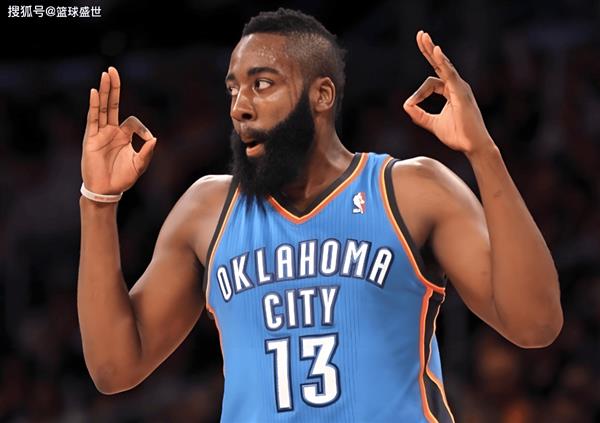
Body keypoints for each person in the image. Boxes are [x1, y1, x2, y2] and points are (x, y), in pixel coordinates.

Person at [77, 8, 563, 423]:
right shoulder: (208, 209)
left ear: (321, 95)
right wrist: (97, 200)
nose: (240, 107)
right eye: (233, 90)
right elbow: (114, 369)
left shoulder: (409, 190)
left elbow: (535, 324)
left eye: (261, 84)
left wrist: (483, 153)